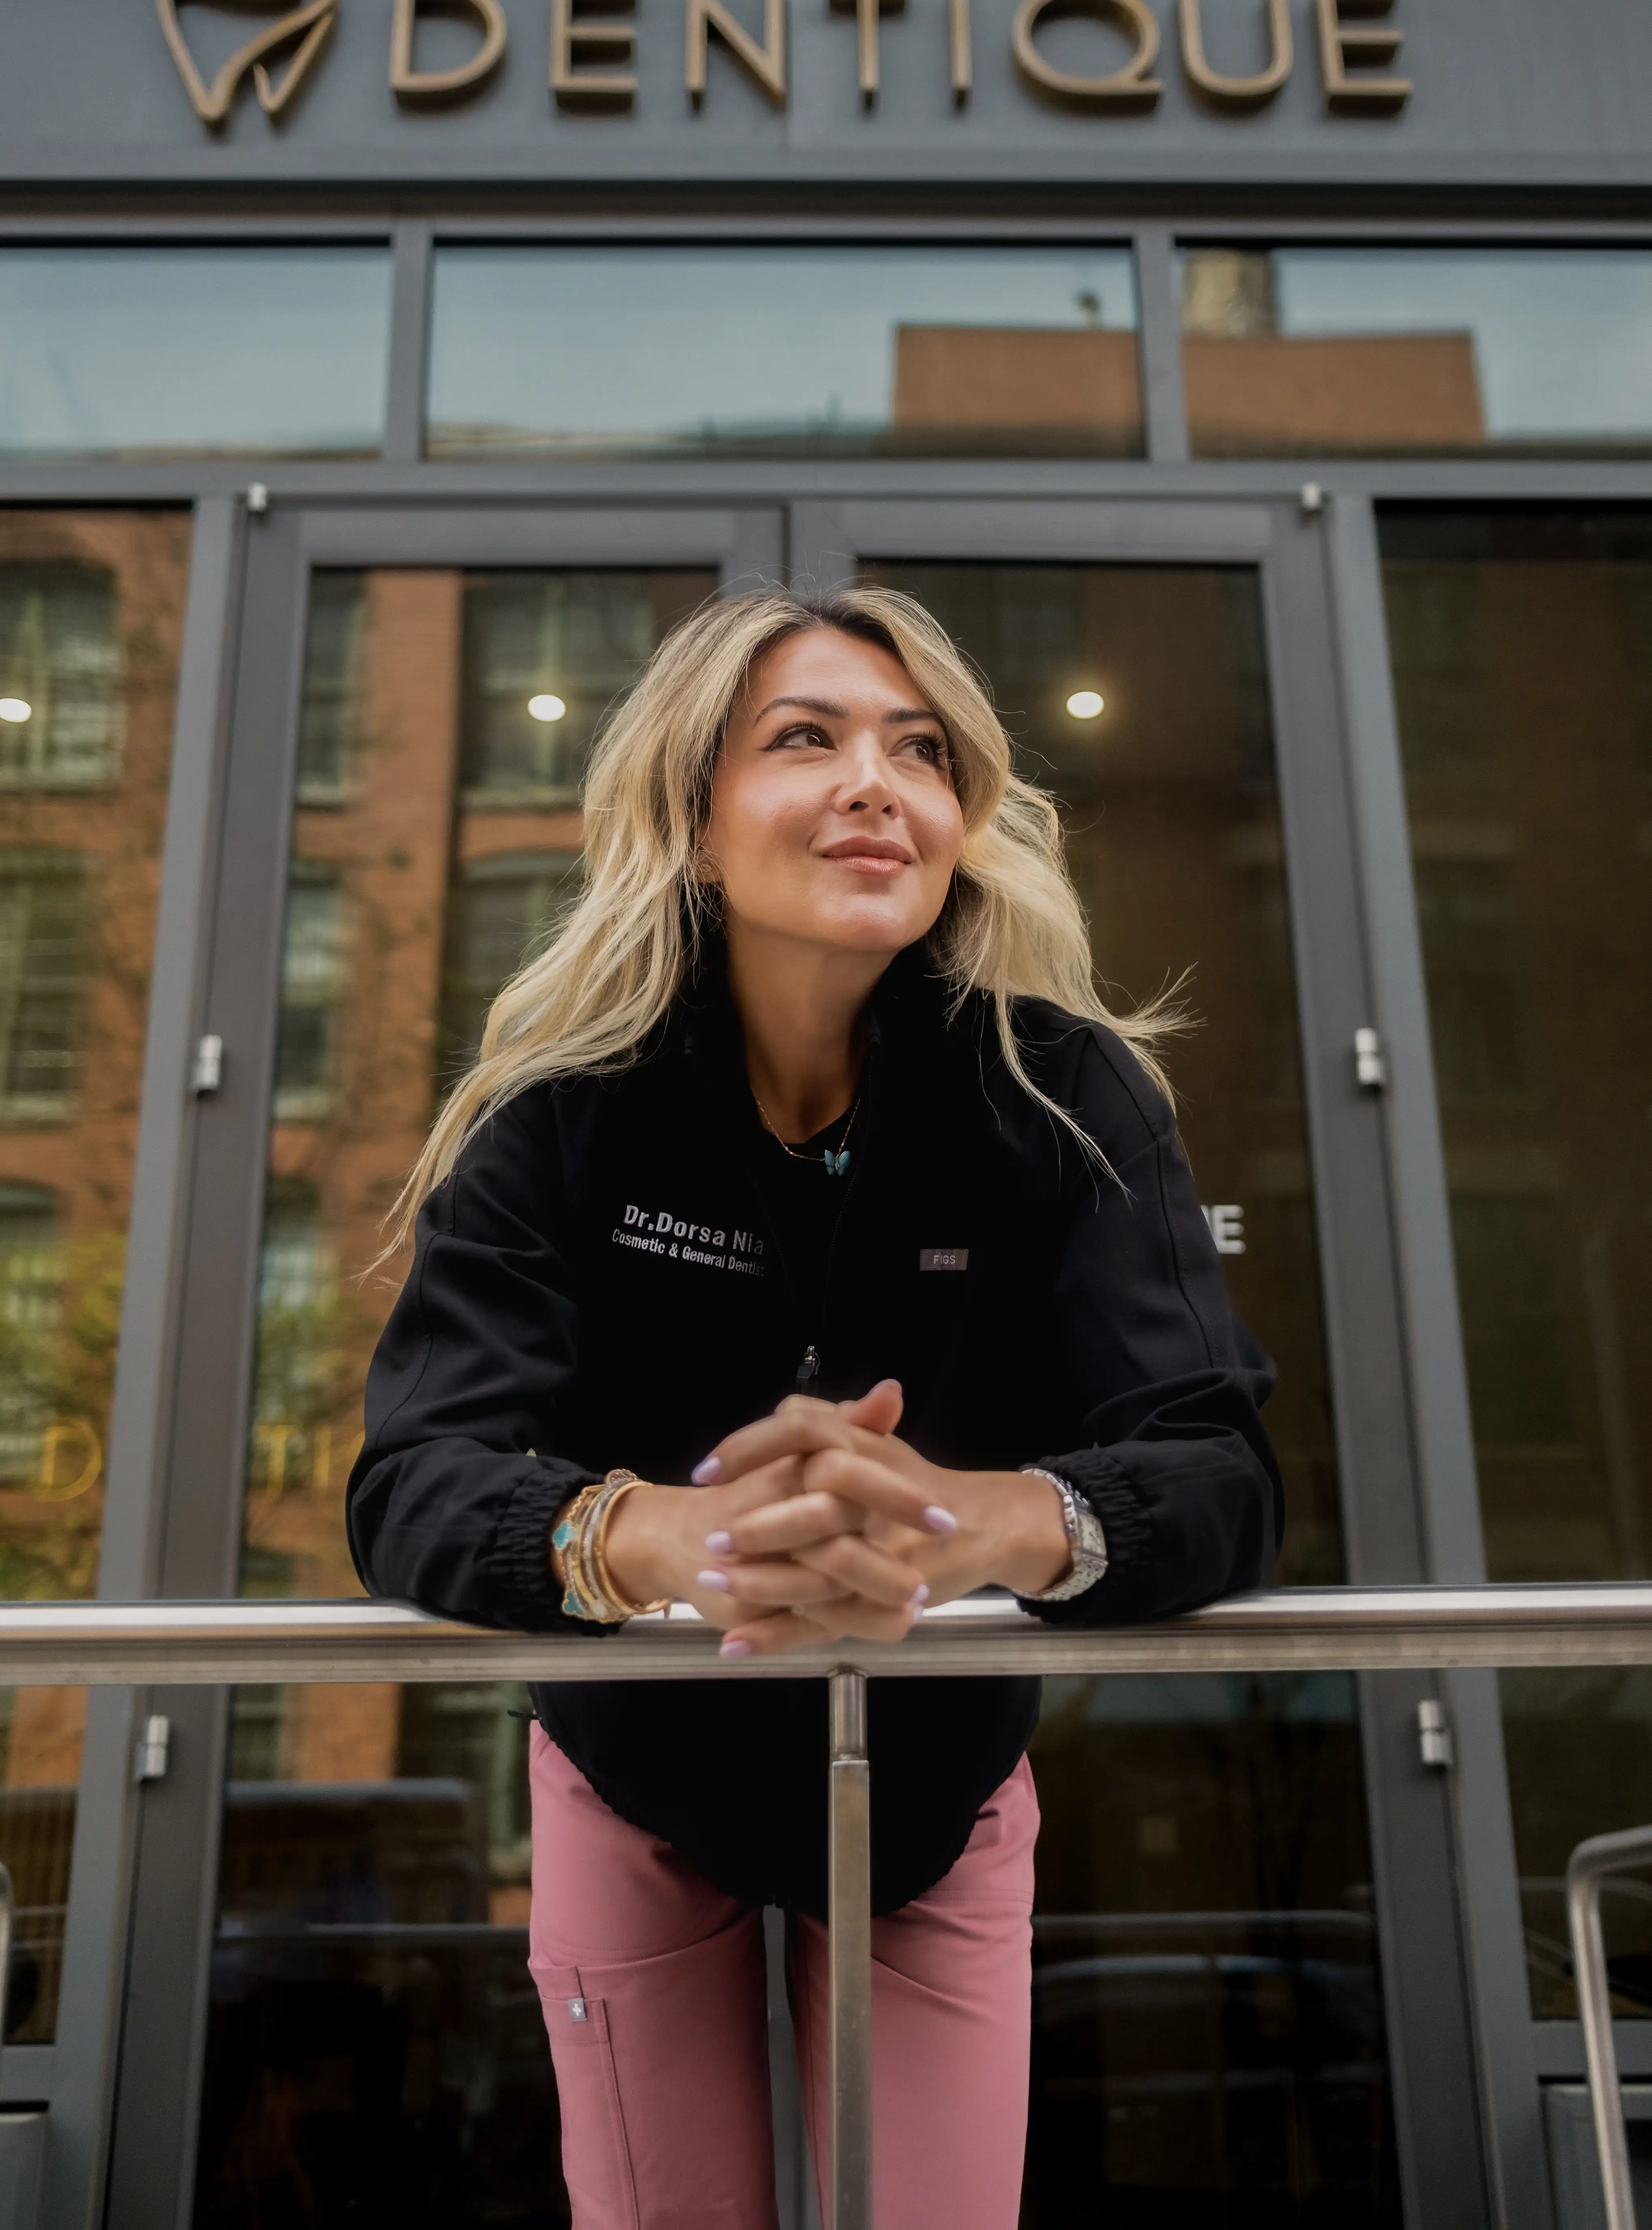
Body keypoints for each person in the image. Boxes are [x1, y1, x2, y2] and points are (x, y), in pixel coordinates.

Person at [347, 585, 1281, 2230]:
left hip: (939, 1787)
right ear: (692, 821)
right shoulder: (557, 1118)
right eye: (807, 738)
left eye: (920, 751)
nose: (878, 781)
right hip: (634, 1772)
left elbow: (1217, 1463)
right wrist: (661, 1537)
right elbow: (416, 1477)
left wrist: (973, 1518)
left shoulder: (1066, 1099)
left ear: (959, 819)